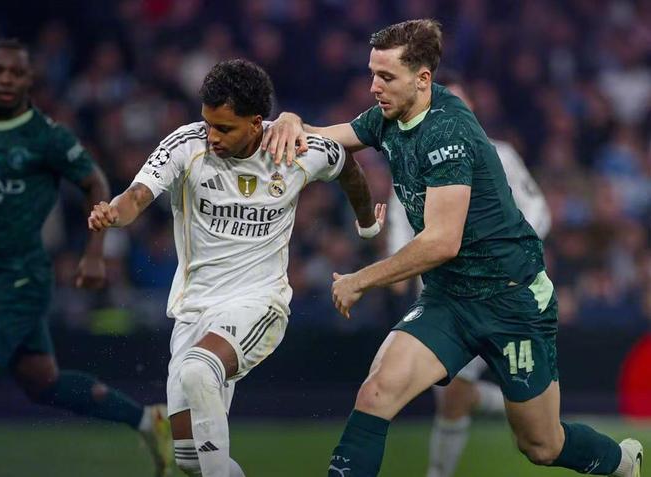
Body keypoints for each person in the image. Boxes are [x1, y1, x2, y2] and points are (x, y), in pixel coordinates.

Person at [263, 19, 643, 477]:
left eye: (385, 76)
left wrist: (362, 279)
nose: (373, 87)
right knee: (376, 393)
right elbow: (329, 136)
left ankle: (621, 462)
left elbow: (442, 242)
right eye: (372, 74)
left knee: (542, 445)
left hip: (511, 301)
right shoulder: (392, 113)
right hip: (449, 300)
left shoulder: (447, 132)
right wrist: (291, 121)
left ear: (422, 79)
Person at [88, 58, 383, 477]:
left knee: (198, 370)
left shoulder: (293, 149)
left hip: (258, 303)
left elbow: (348, 166)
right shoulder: (186, 145)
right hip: (193, 310)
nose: (212, 136)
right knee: (190, 459)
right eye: (208, 123)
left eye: (224, 128)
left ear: (256, 123)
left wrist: (367, 224)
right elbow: (137, 195)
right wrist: (113, 214)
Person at [0, 39, 173, 476]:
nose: (6, 80)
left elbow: (95, 182)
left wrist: (95, 252)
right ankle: (147, 420)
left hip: (19, 278)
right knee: (42, 381)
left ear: (30, 79)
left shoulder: (47, 137)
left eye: (15, 72)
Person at [386, 70, 552, 477]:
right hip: (444, 292)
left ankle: (527, 417)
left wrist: (512, 255)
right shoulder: (411, 158)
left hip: (502, 293)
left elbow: (538, 209)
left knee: (465, 399)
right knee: (450, 394)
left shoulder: (501, 154)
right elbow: (400, 219)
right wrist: (398, 266)